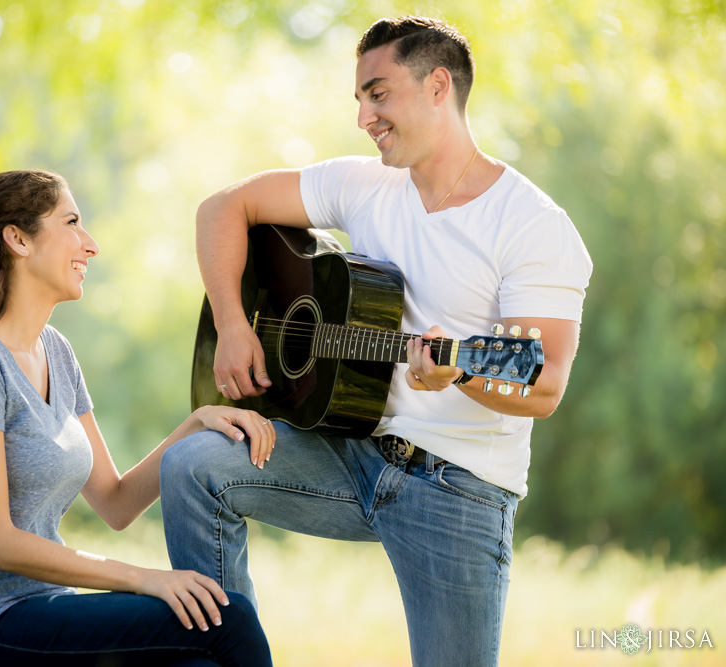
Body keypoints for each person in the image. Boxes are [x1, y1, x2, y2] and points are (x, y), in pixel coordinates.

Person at [159, 15, 592, 667]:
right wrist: (232, 322)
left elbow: (546, 379)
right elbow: (222, 208)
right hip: (349, 452)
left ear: (437, 85)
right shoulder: (364, 185)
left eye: (378, 93)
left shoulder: (532, 226)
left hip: (458, 487)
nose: (363, 115)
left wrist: (461, 370)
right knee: (193, 467)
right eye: (359, 98)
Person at [0, 170, 274, 667]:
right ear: (17, 239)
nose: (91, 244)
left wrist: (196, 424)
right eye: (72, 222)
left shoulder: (55, 352)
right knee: (226, 620)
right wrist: (144, 577)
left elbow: (116, 502)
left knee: (198, 661)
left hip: (44, 611)